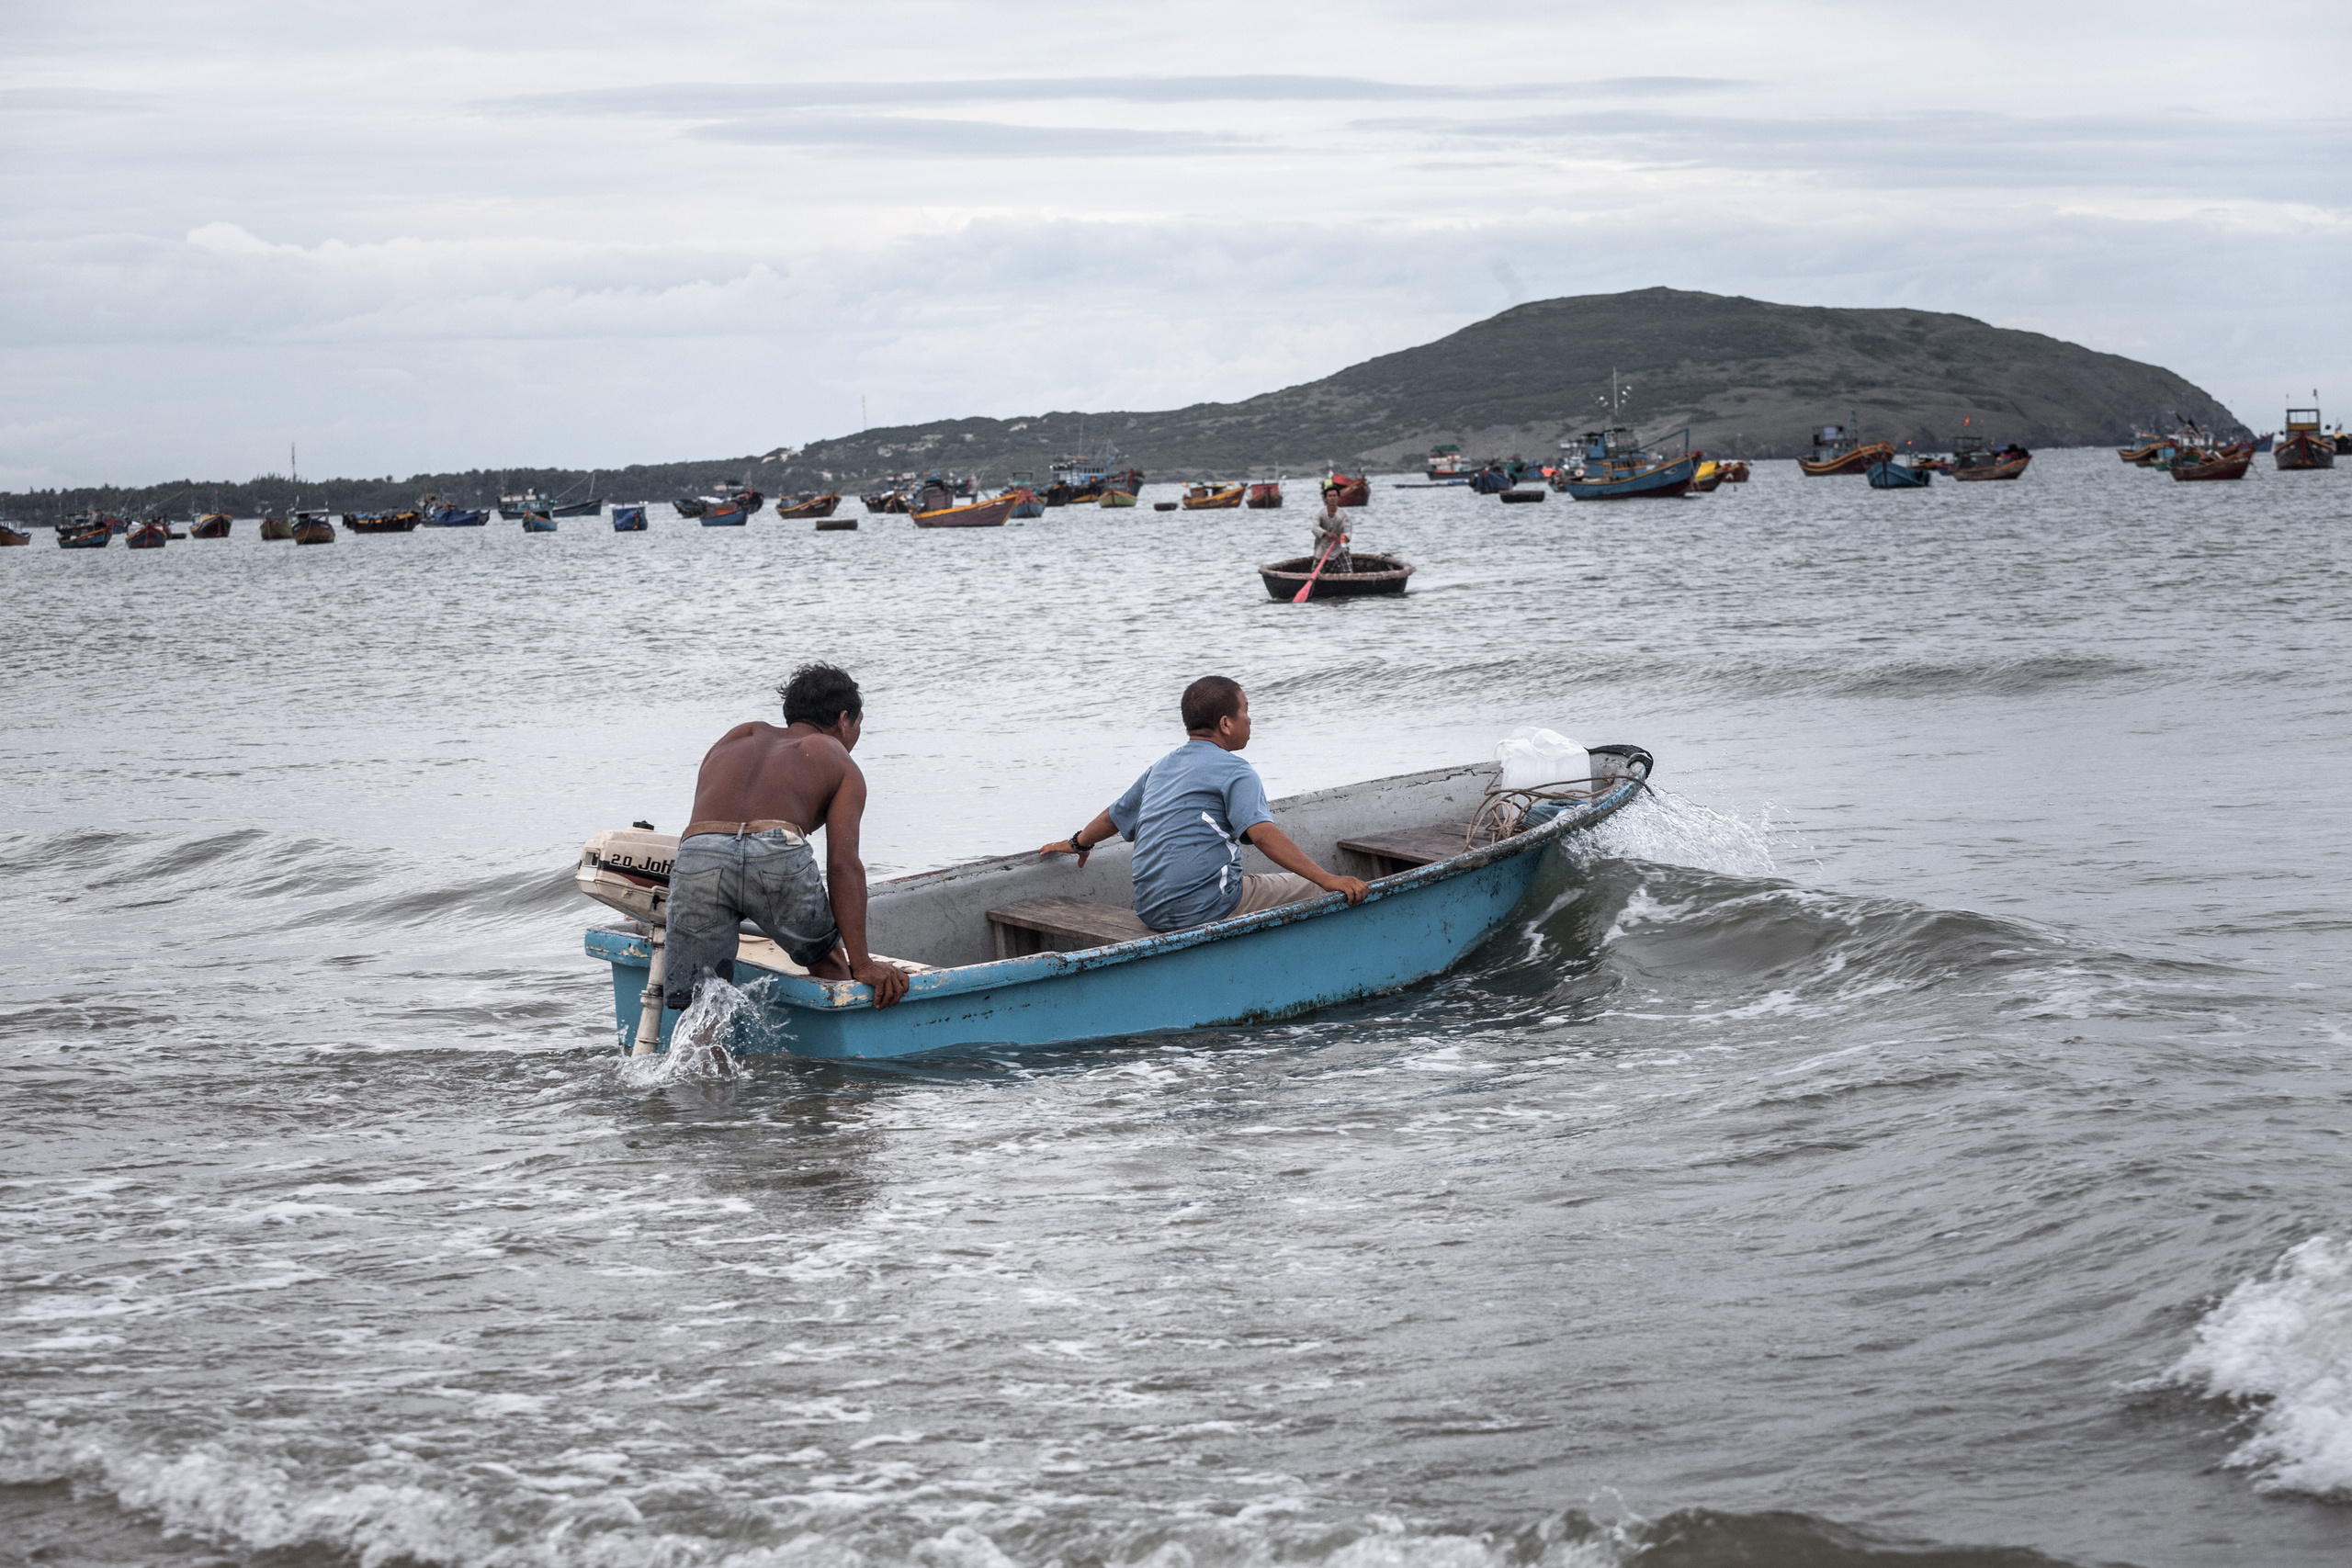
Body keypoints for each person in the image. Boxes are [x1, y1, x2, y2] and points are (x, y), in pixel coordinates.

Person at [664, 663, 910, 1019]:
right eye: (858, 725)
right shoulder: (836, 757)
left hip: (700, 850)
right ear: (844, 719)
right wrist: (863, 963)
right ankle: (846, 1059)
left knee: (706, 1000)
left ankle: (704, 1072)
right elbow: (843, 864)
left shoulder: (738, 736)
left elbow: (720, 832)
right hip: (773, 851)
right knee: (826, 958)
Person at [1037, 676, 1368, 931]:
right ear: (1226, 723)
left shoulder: (1162, 767)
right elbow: (1264, 836)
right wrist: (1327, 879)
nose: (1251, 720)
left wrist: (1076, 843)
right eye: (1246, 711)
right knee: (1316, 889)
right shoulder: (1237, 771)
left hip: (1150, 910)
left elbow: (1115, 814)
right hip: (1207, 907)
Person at [1311, 486, 1353, 572]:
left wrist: (1346, 537)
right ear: (1325, 498)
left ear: (1338, 497)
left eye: (1334, 496)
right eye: (1330, 496)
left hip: (1339, 546)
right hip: (1323, 547)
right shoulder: (1320, 513)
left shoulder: (1344, 515)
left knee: (1348, 571)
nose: (1332, 498)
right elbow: (1314, 528)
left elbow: (1348, 530)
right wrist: (1328, 533)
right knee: (1316, 572)